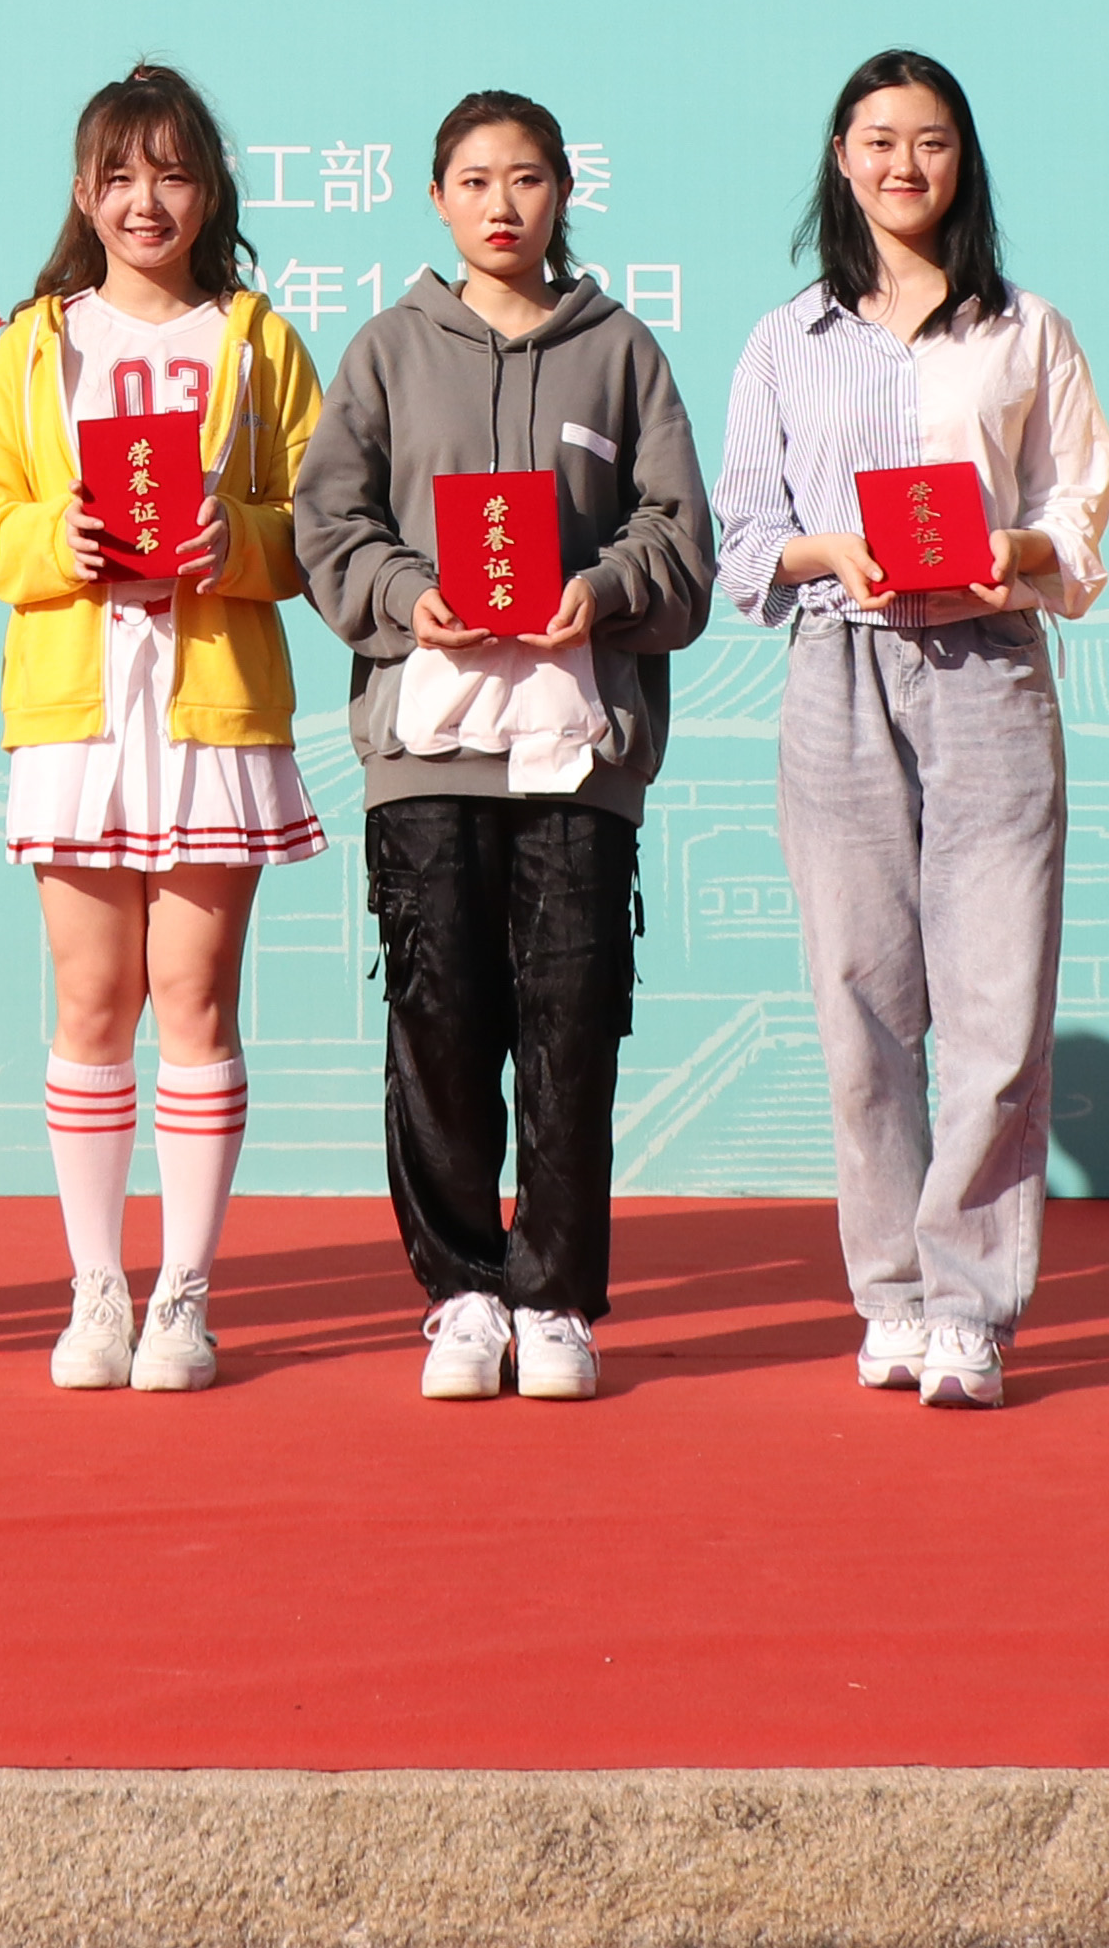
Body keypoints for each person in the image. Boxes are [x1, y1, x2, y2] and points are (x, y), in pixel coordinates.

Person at [712, 48, 1109, 1410]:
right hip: (840, 666)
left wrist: (1012, 548)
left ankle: (971, 1308)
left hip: (988, 667)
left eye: (930, 140)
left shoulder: (1027, 329)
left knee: (997, 1004)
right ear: (841, 157)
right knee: (860, 1004)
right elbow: (746, 538)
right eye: (878, 139)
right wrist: (832, 550)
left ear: (963, 160)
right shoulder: (787, 339)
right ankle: (889, 1295)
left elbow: (1076, 509)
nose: (904, 163)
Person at [298, 89, 715, 1402]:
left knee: (570, 1027)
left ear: (563, 193)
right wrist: (400, 592)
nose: (501, 203)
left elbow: (680, 539)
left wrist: (602, 587)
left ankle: (556, 1297)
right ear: (437, 199)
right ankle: (463, 1292)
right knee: (437, 1023)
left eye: (526, 178)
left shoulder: (622, 351)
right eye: (474, 180)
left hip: (577, 756)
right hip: (425, 751)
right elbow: (330, 524)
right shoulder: (385, 350)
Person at [0, 64, 324, 1395]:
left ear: (209, 189)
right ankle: (96, 1285)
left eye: (170, 173)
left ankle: (186, 1292)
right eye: (118, 176)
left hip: (211, 705)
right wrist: (64, 538)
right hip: (79, 705)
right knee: (92, 1000)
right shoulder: (36, 345)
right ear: (82, 192)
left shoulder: (258, 339)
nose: (144, 200)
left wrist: (241, 543)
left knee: (195, 999)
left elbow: (325, 521)